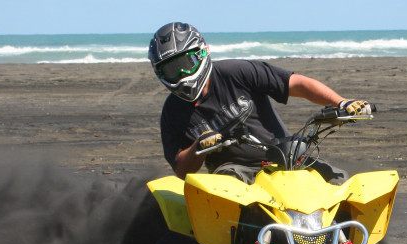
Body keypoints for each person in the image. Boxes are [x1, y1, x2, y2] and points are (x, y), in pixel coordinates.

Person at [149, 22, 371, 182]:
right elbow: (180, 170)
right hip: (233, 172)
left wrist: (341, 103)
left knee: (340, 184)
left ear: (202, 52)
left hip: (285, 157)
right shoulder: (172, 111)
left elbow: (297, 84)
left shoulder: (237, 72)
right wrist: (199, 147)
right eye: (170, 69)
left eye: (185, 63)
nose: (180, 74)